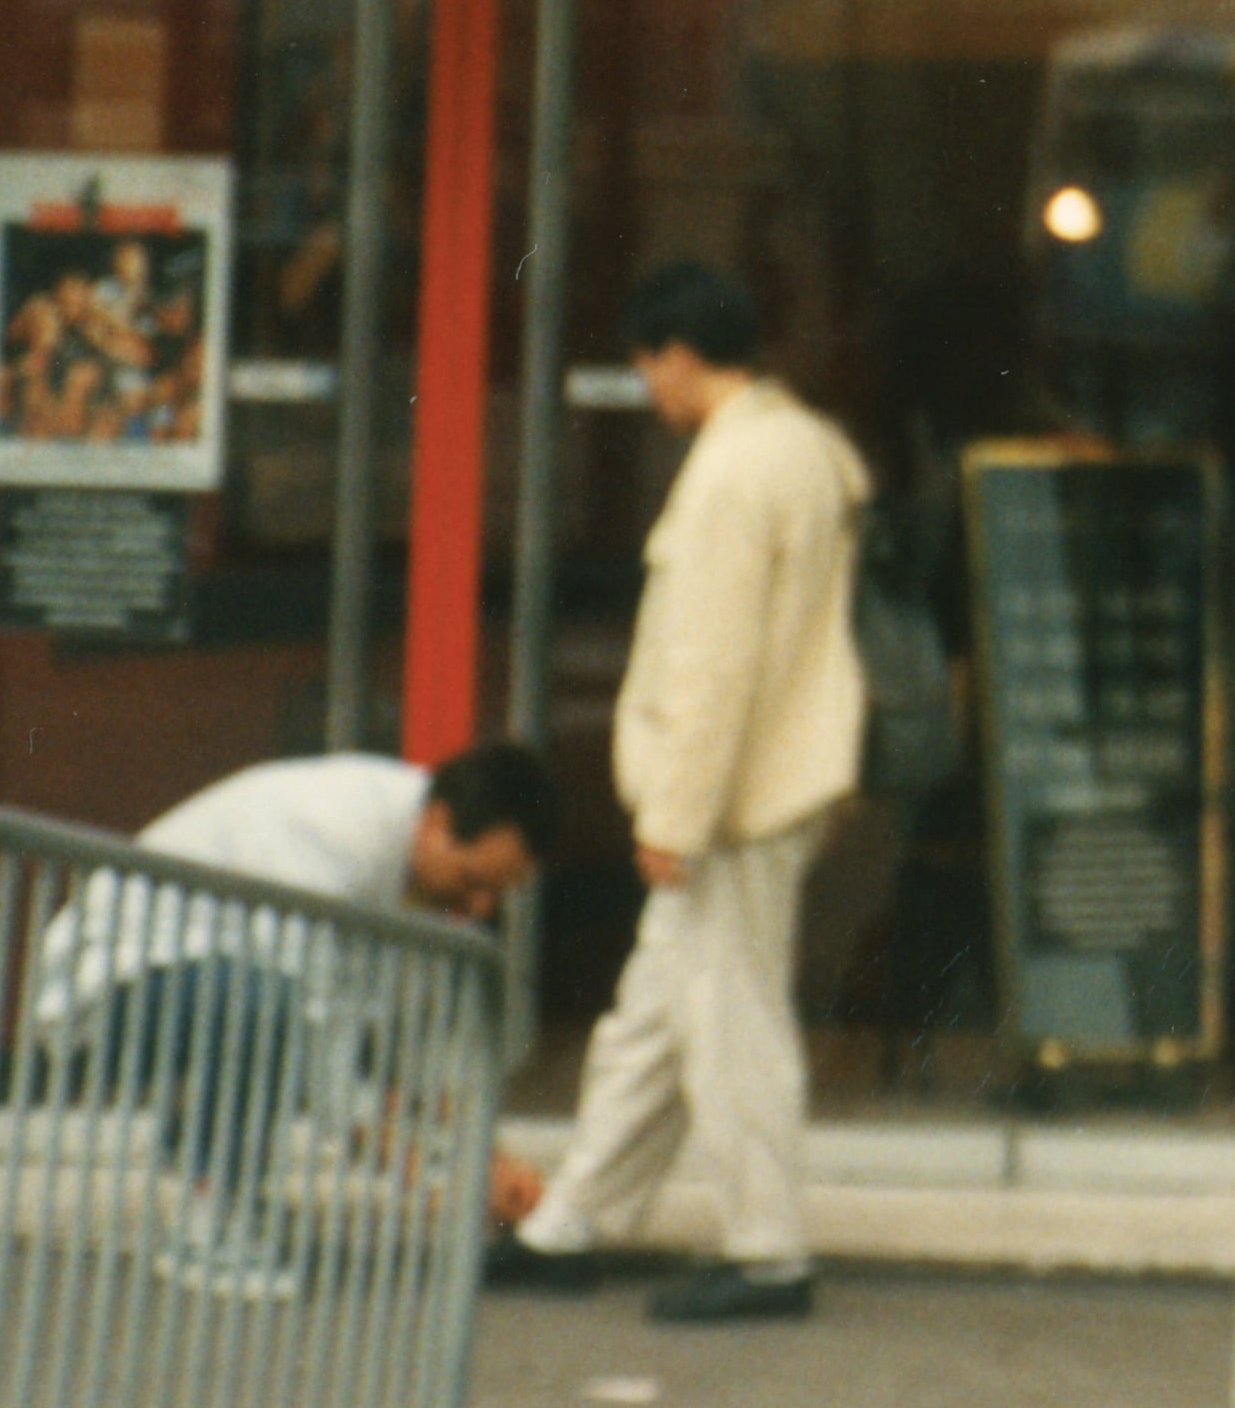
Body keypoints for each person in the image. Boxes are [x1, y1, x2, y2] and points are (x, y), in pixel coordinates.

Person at [490, 263, 870, 1324]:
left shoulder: (729, 473)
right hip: (770, 785)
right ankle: (571, 1224)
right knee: (650, 1025)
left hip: (732, 801)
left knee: (726, 1022)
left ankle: (767, 1251)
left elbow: (710, 664)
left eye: (647, 363)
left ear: (677, 354)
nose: (648, 386)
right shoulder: (799, 448)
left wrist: (673, 818)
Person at [46, 742, 562, 1296]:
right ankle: (207, 1215)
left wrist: (486, 1154)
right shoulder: (332, 833)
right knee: (264, 1005)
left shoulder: (417, 859)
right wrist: (432, 1173)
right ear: (437, 824)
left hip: (208, 981)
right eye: (472, 881)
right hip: (111, 986)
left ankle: (217, 1179)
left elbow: (429, 1043)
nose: (480, 906)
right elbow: (320, 1053)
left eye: (495, 892)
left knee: (265, 1001)